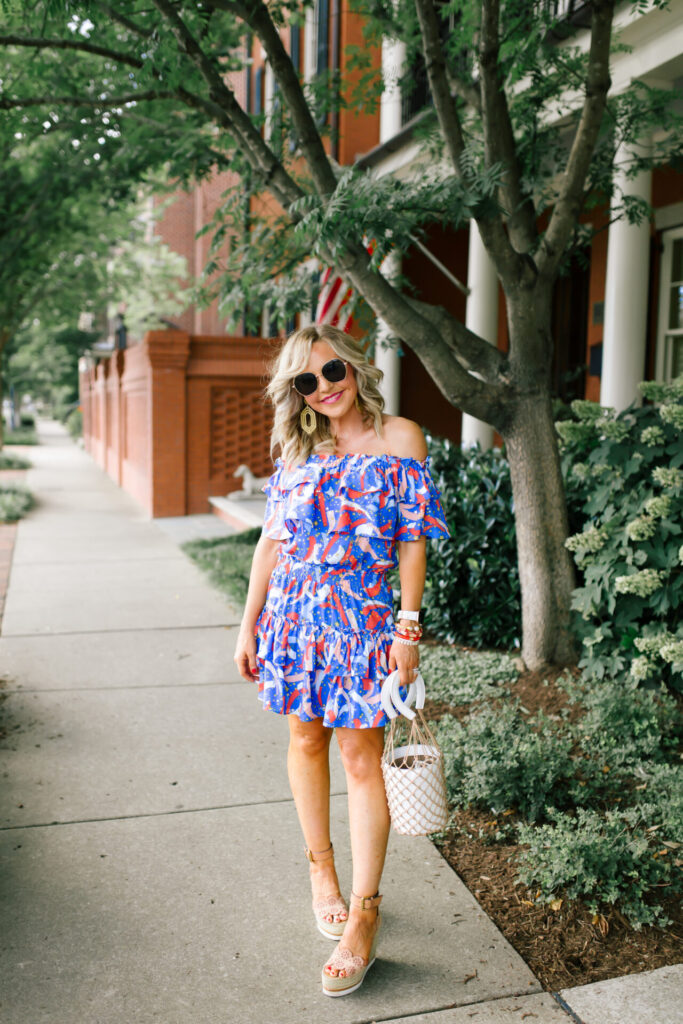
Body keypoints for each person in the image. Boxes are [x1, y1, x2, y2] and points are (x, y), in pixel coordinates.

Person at [234, 324, 451, 997]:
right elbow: (271, 545)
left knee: (361, 761)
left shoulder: (401, 436)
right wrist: (247, 626)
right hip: (293, 619)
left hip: (363, 620)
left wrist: (408, 632)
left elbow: (412, 544)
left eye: (332, 372)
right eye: (306, 381)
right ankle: (319, 871)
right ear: (294, 392)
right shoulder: (296, 449)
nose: (324, 389)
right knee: (304, 741)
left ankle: (363, 915)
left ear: (354, 369)